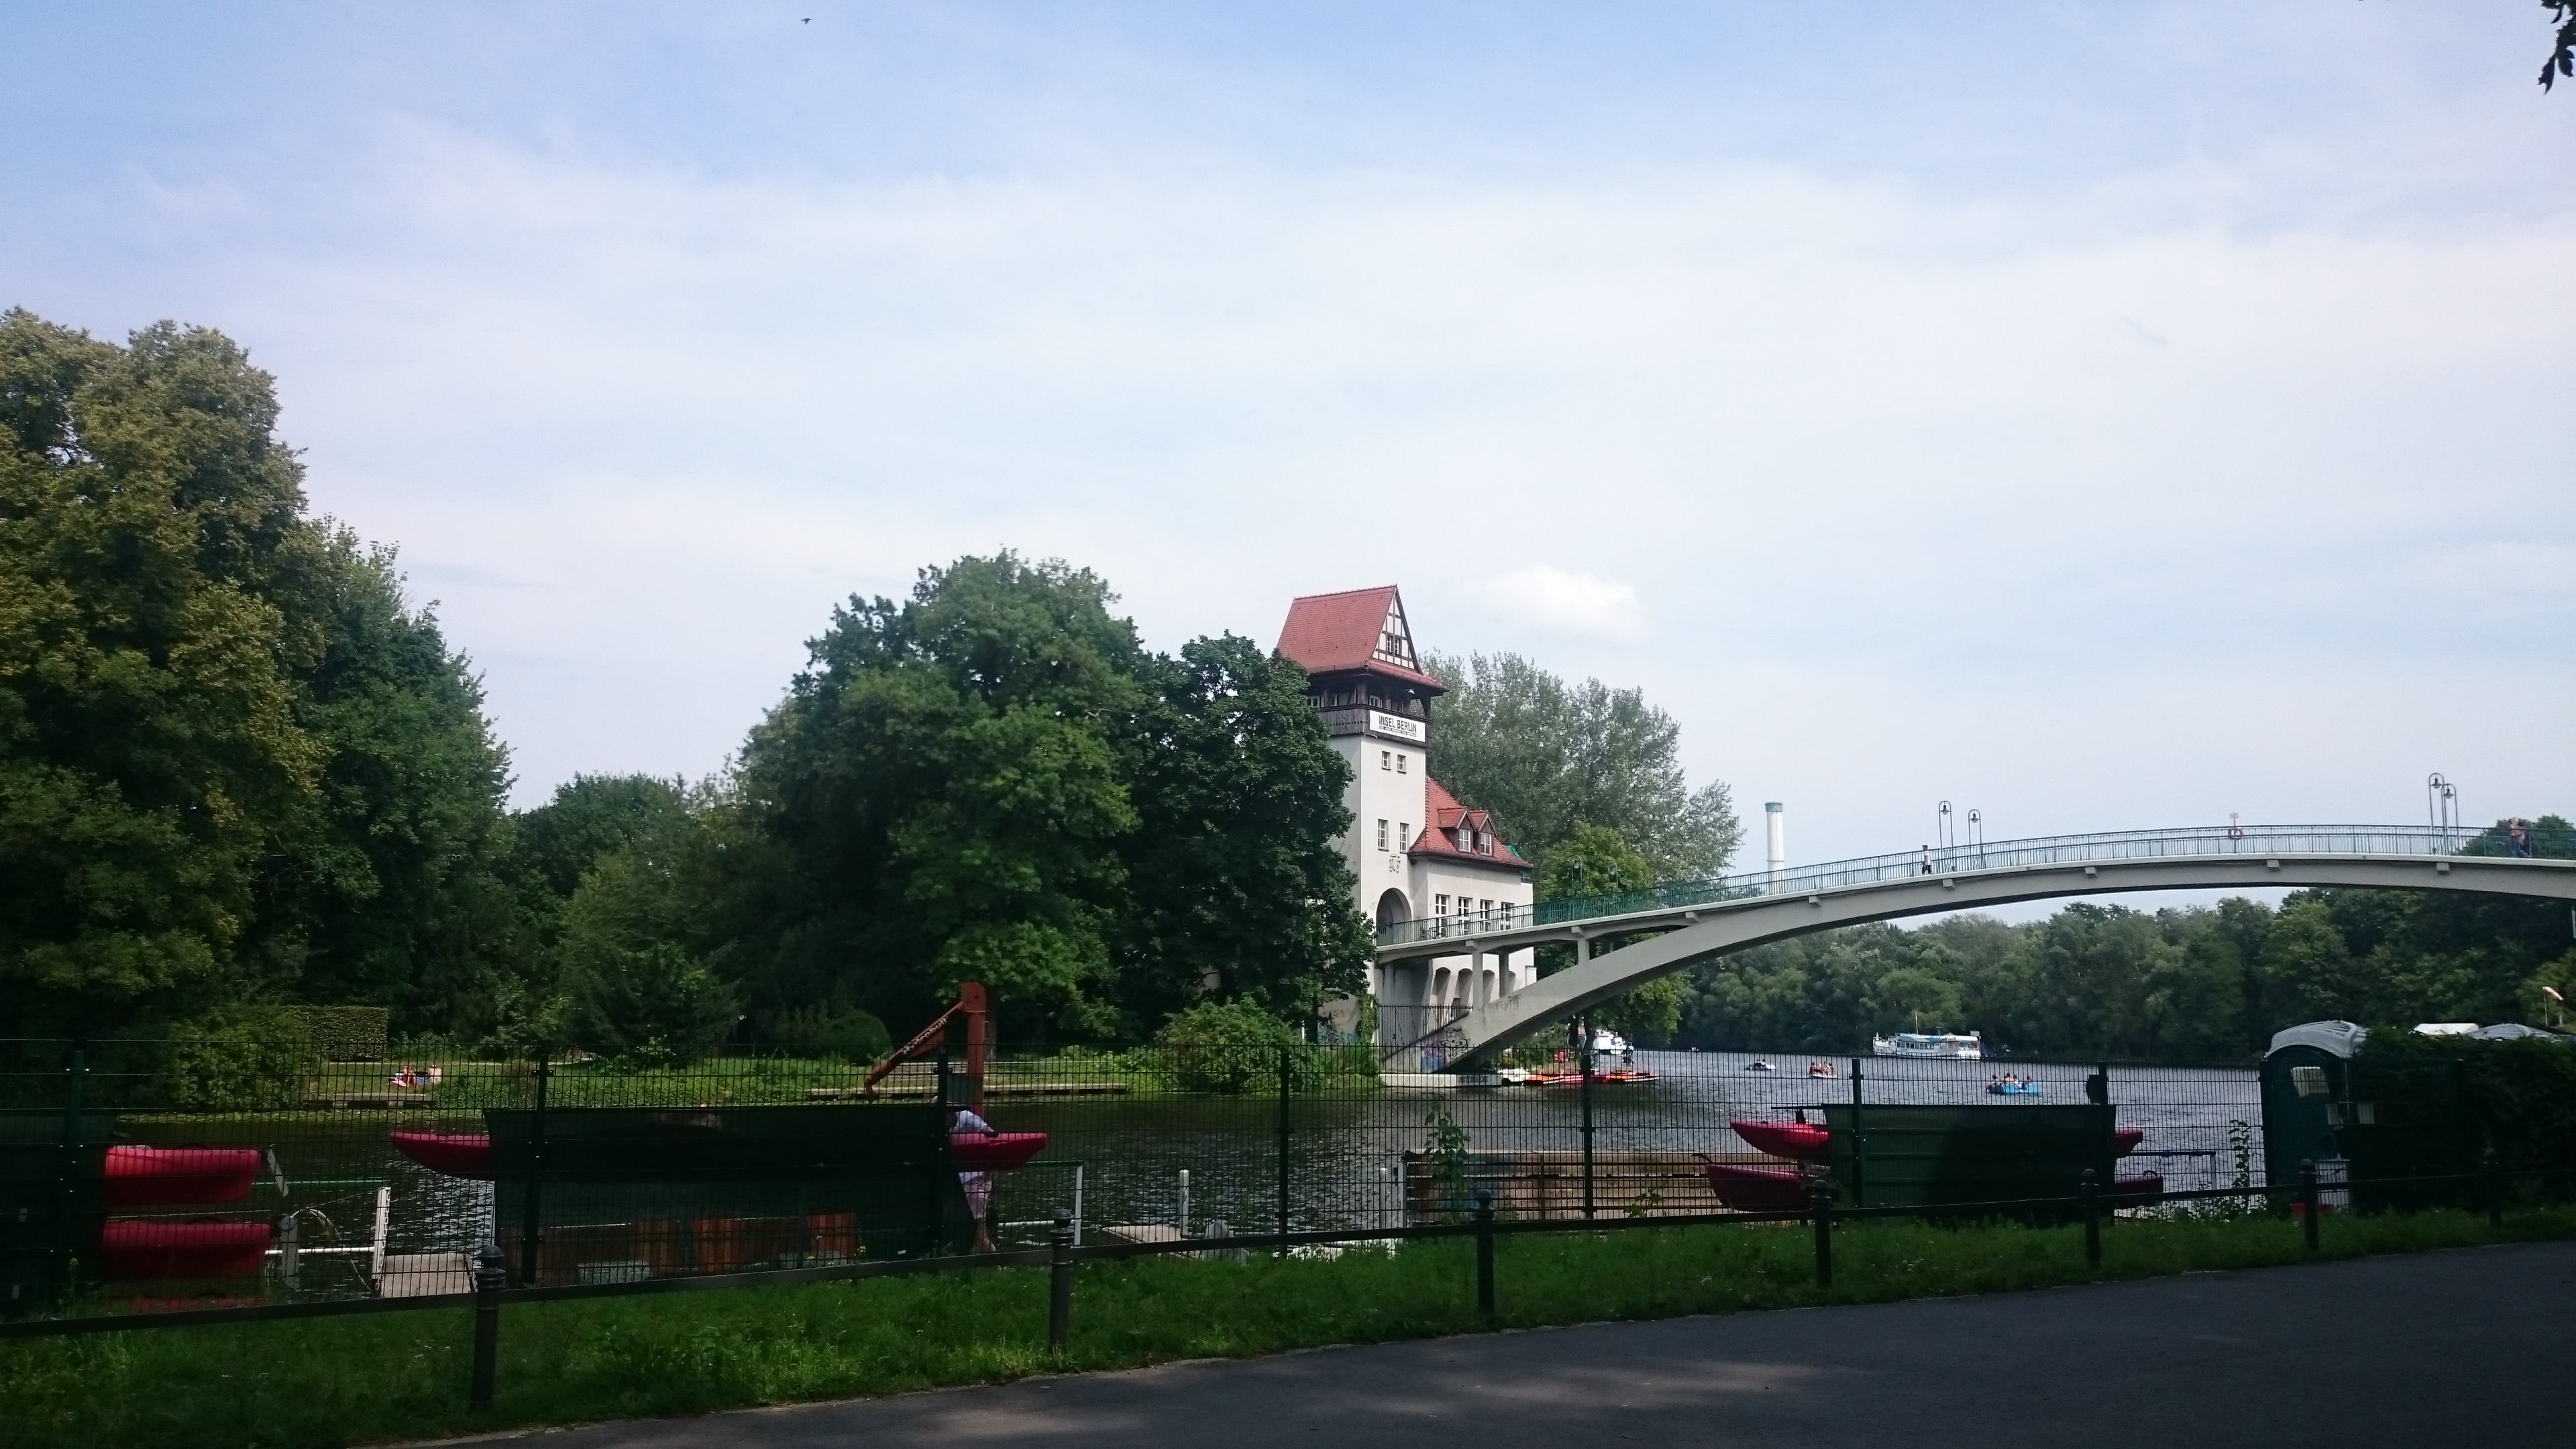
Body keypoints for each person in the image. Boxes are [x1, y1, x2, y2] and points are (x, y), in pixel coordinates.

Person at [950, 1106, 999, 1253]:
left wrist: (988, 1169)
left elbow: (992, 1136)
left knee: (979, 1236)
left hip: (974, 1182)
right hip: (960, 1182)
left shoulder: (967, 1118)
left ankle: (997, 1268)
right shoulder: (940, 1123)